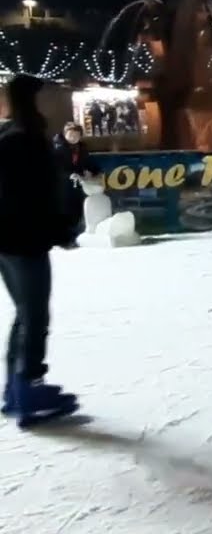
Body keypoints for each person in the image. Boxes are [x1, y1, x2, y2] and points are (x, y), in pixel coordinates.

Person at [0, 74, 78, 427]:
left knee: (26, 313)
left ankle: (16, 388)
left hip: (13, 240)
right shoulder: (23, 140)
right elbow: (34, 197)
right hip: (22, 240)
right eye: (49, 95)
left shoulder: (17, 136)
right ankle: (28, 389)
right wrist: (58, 229)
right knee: (34, 316)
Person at [52, 122, 100, 234]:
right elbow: (55, 168)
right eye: (70, 135)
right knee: (64, 208)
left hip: (78, 183)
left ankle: (74, 233)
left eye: (76, 135)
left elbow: (88, 163)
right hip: (62, 185)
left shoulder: (82, 148)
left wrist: (94, 172)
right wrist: (69, 175)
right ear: (65, 134)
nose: (73, 138)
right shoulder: (58, 149)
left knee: (77, 207)